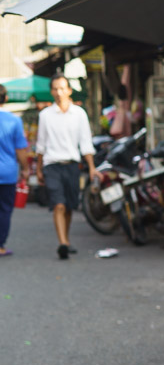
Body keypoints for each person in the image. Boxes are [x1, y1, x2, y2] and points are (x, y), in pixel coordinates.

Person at [33, 75, 97, 259]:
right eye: (55, 89)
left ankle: (66, 240)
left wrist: (92, 167)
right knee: (58, 205)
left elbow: (86, 143)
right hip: (52, 165)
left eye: (62, 88)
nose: (59, 93)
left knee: (69, 206)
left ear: (69, 90)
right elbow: (41, 145)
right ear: (51, 92)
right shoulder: (45, 115)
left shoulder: (79, 114)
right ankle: (62, 243)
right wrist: (38, 169)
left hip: (72, 166)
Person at [0, 84, 30, 257]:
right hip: (8, 173)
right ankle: (0, 245)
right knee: (4, 210)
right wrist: (25, 169)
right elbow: (21, 150)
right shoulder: (14, 121)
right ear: (6, 99)